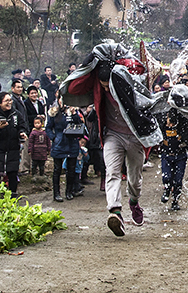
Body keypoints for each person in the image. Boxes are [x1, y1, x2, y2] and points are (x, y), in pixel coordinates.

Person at [61, 43, 163, 237]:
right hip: (112, 135)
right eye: (103, 84)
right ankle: (115, 212)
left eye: (108, 84)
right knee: (112, 173)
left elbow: (142, 69)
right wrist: (91, 59)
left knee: (134, 179)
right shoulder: (98, 84)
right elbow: (74, 86)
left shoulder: (129, 82)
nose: (106, 87)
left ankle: (134, 202)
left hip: (135, 136)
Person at [156, 85, 188, 211]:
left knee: (178, 180)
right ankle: (166, 190)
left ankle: (175, 200)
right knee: (166, 176)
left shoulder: (184, 125)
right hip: (166, 154)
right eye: (168, 121)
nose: (169, 124)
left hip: (180, 155)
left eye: (172, 122)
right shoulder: (161, 123)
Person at [22, 85, 44, 174]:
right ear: (28, 95)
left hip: (39, 129)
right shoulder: (25, 104)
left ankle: (37, 168)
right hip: (30, 128)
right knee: (27, 149)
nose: (34, 95)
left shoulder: (39, 103)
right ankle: (25, 168)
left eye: (35, 93)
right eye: (32, 93)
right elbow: (25, 116)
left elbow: (42, 112)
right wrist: (36, 117)